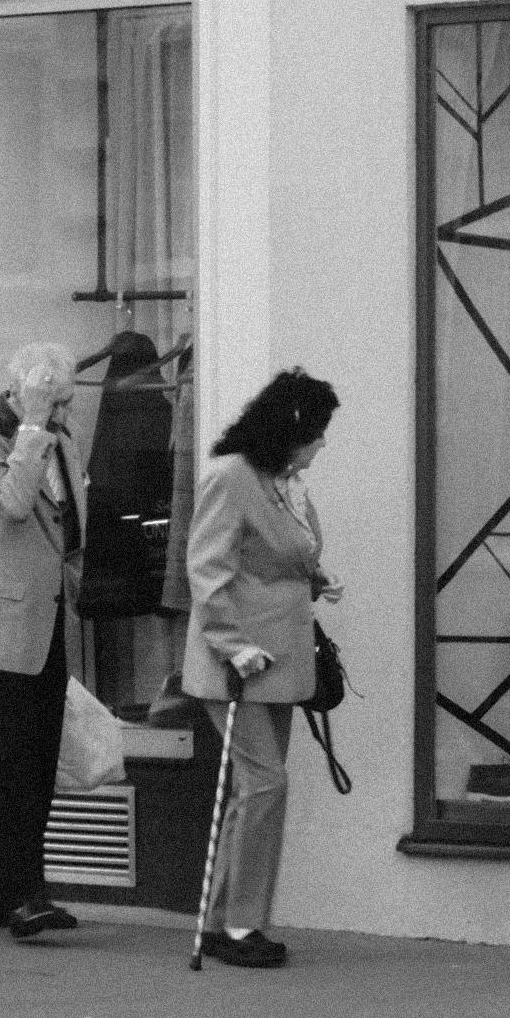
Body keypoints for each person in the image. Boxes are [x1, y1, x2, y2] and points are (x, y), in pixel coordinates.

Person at [183, 366, 341, 969]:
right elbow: (209, 568)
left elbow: (281, 554)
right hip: (240, 664)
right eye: (318, 433)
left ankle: (229, 919)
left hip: (279, 660)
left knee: (255, 792)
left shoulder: (282, 481)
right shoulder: (231, 478)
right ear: (291, 430)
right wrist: (230, 642)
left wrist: (316, 575)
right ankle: (239, 927)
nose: (322, 445)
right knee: (265, 785)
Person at [0, 341, 87, 941]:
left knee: (39, 758)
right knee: (18, 758)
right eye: (55, 401)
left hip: (51, 614)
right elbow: (10, 502)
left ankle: (2, 895)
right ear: (24, 394)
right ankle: (26, 895)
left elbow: (70, 524)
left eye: (66, 402)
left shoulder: (61, 438)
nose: (65, 412)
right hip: (0, 619)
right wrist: (32, 428)